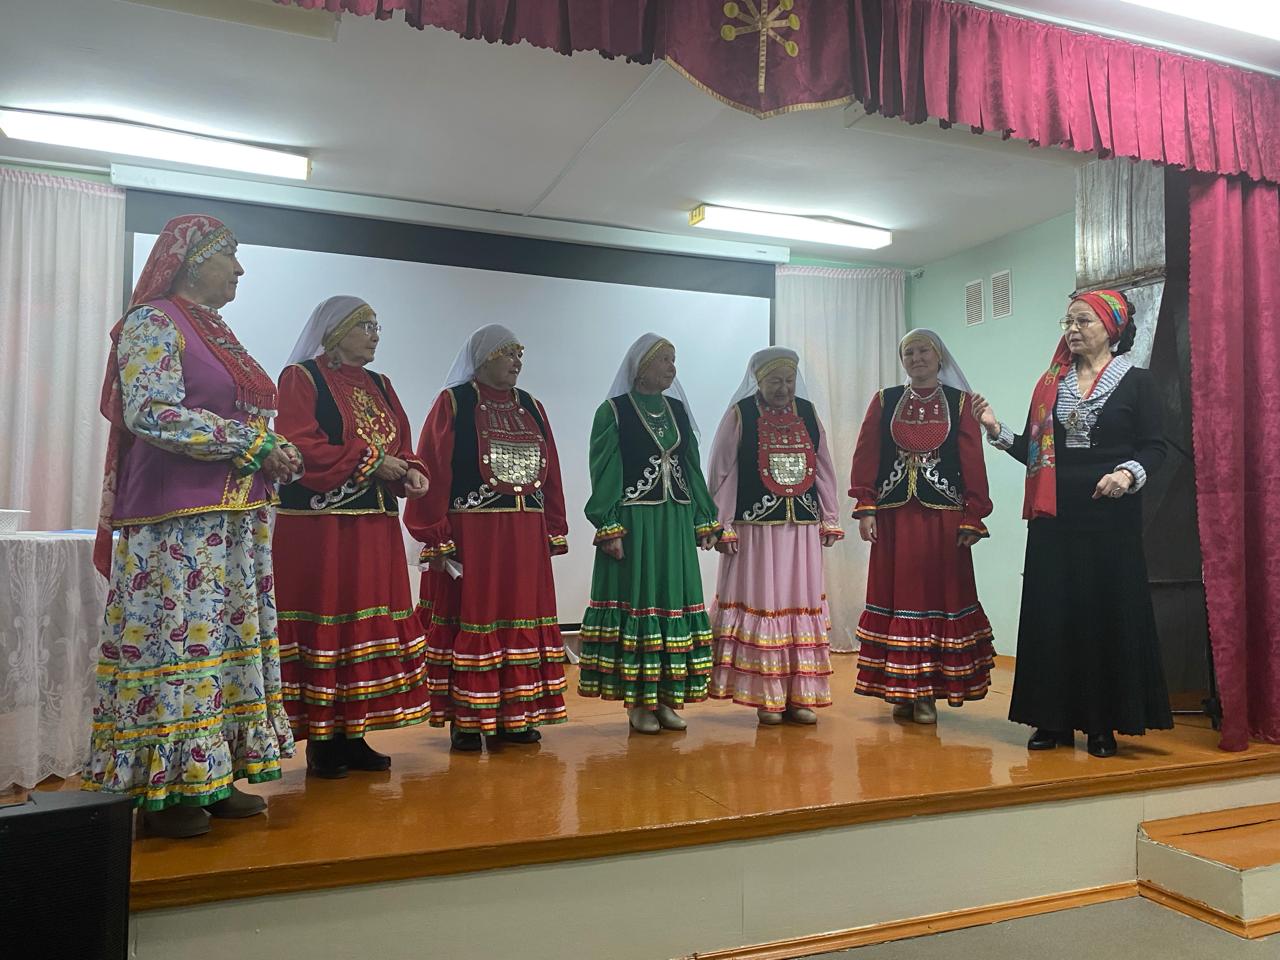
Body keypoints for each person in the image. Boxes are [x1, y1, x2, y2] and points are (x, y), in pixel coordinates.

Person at [85, 215, 299, 838]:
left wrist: (274, 449)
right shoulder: (153, 322)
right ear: (193, 261)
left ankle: (213, 774)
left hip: (232, 520)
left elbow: (242, 417)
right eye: (230, 256)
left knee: (225, 650)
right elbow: (152, 412)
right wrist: (252, 443)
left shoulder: (216, 329)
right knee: (178, 648)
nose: (239, 269)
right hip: (176, 523)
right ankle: (167, 790)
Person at [973, 290, 1171, 758]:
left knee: (1103, 614)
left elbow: (1156, 447)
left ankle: (1102, 724)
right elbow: (1035, 454)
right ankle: (1051, 720)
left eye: (1084, 321)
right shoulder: (1051, 384)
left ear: (1111, 328)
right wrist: (996, 430)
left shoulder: (1138, 382)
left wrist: (1127, 474)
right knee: (1052, 614)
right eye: (1068, 322)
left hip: (1111, 518)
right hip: (1055, 519)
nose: (1073, 330)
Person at [273, 296, 431, 778]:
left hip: (373, 527)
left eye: (377, 327)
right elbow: (300, 444)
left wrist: (411, 470)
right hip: (322, 530)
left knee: (364, 624)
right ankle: (322, 742)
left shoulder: (380, 384)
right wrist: (372, 461)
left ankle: (353, 733)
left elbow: (401, 442)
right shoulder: (302, 377)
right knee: (329, 619)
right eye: (366, 326)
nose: (375, 335)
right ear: (336, 332)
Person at [404, 325, 569, 752]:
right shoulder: (454, 402)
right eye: (508, 354)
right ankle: (466, 718)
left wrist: (554, 525)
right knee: (472, 618)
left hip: (524, 537)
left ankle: (514, 716)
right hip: (474, 536)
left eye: (520, 355)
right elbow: (433, 465)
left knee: (519, 620)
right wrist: (435, 533)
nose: (517, 362)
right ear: (483, 358)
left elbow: (550, 469)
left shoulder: (531, 406)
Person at [849, 329, 995, 724]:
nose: (917, 358)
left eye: (924, 350)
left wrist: (974, 514)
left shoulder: (960, 402)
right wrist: (866, 506)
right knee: (896, 598)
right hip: (894, 516)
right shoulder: (885, 400)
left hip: (943, 519)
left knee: (937, 598)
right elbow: (866, 454)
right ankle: (901, 688)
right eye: (909, 352)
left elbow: (972, 461)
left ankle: (926, 692)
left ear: (939, 356)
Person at [577, 334, 721, 734]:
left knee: (671, 602)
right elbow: (604, 469)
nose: (673, 368)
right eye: (665, 360)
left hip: (674, 519)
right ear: (642, 365)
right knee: (640, 602)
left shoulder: (676, 410)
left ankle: (666, 699)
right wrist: (608, 525)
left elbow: (690, 466)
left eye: (674, 360)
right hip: (636, 521)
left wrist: (704, 517)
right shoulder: (613, 411)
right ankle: (639, 703)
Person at [706, 347, 843, 725]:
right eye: (775, 381)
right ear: (758, 381)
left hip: (801, 531)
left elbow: (823, 467)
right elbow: (722, 472)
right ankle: (767, 697)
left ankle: (800, 696)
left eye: (789, 380)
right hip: (756, 532)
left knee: (799, 604)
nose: (783, 388)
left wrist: (830, 516)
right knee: (766, 603)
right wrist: (722, 523)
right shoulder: (741, 414)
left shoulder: (809, 414)